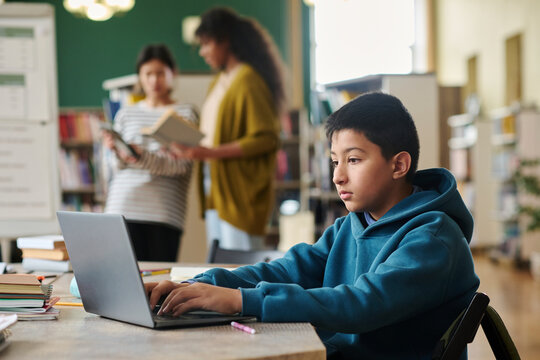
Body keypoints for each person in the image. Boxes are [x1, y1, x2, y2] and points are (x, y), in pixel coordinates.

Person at [146, 92, 480, 359]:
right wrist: (197, 285)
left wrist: (240, 301)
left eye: (353, 159)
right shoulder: (350, 226)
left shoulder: (434, 238)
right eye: (335, 161)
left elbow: (362, 304)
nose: (337, 175)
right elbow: (285, 271)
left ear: (399, 165)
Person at [168, 7, 285, 251]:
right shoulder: (219, 81)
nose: (202, 52)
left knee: (239, 265)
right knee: (220, 262)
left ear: (226, 41)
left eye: (206, 44)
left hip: (239, 192)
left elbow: (265, 139)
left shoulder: (248, 80)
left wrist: (209, 153)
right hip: (216, 185)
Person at [103, 44, 199, 262]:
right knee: (120, 279)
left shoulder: (185, 112)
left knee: (158, 285)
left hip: (163, 212)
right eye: (148, 74)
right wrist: (117, 152)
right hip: (121, 206)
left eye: (160, 73)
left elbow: (181, 165)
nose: (154, 80)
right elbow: (115, 168)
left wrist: (140, 157)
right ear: (140, 77)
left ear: (172, 74)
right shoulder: (126, 114)